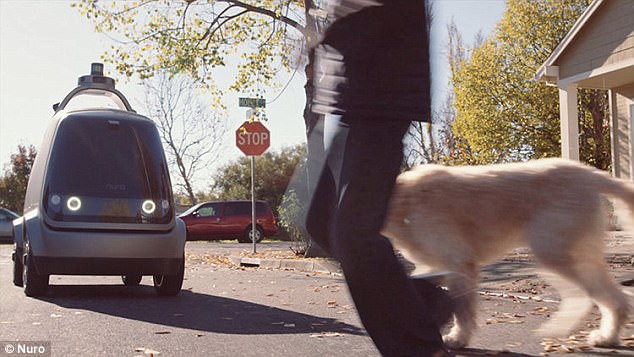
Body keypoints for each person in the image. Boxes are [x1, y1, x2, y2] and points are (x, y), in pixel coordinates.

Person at [304, 0, 454, 356]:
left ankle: (420, 348)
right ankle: (424, 304)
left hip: (382, 88)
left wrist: (329, 25)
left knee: (353, 233)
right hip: (346, 95)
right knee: (322, 225)